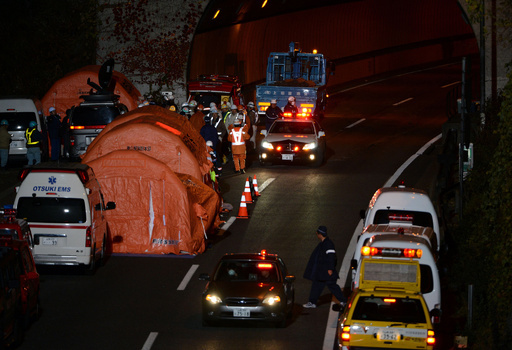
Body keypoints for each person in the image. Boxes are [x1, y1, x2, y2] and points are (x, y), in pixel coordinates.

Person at [303, 226, 347, 309]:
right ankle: (312, 302)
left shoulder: (328, 244)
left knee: (332, 286)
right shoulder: (324, 243)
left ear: (320, 234)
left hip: (326, 272)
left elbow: (331, 256)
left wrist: (330, 269)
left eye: (317, 233)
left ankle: (343, 301)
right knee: (316, 285)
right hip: (321, 272)